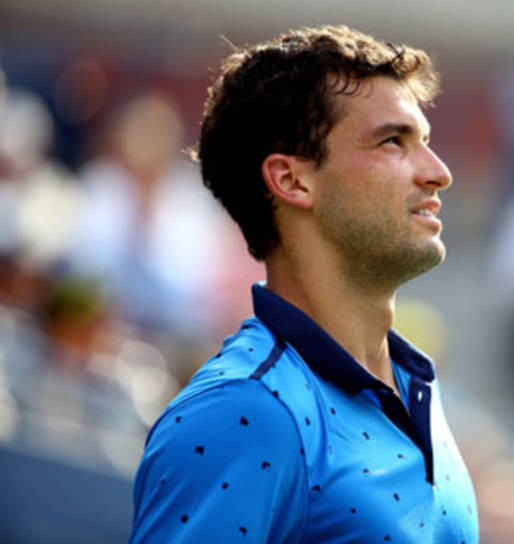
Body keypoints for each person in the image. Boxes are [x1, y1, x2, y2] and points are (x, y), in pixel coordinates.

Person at [130, 25, 478, 543]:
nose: (439, 172)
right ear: (292, 181)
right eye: (393, 141)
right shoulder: (241, 411)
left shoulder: (417, 388)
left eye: (424, 141)